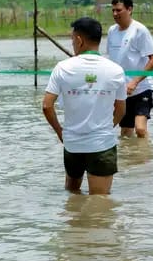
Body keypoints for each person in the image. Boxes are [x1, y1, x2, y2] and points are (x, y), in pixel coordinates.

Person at [42, 17, 127, 195]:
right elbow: (121, 110)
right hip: (102, 144)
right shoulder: (116, 70)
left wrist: (60, 132)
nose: (72, 43)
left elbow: (47, 106)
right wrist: (105, 128)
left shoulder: (62, 68)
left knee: (72, 195)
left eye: (72, 39)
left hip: (72, 144)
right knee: (100, 202)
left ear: (79, 40)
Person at [106, 0, 153, 138]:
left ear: (129, 9)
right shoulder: (112, 31)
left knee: (140, 129)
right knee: (125, 134)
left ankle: (147, 157)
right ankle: (130, 159)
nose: (115, 14)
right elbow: (111, 62)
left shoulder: (139, 30)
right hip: (122, 91)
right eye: (113, 11)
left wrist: (134, 82)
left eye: (118, 10)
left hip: (142, 89)